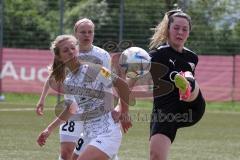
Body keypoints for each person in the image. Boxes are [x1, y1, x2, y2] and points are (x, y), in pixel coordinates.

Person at [36, 18, 131, 160]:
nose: (71, 52)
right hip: (89, 134)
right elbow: (71, 109)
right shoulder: (69, 81)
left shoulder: (94, 68)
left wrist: (123, 112)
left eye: (73, 49)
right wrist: (49, 129)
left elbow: (122, 85)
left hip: (107, 132)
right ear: (59, 56)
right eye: (65, 50)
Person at [148, 9, 206, 160]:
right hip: (166, 111)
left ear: (189, 32)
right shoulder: (156, 55)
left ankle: (186, 85)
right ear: (168, 30)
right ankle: (184, 83)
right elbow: (138, 76)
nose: (180, 32)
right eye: (176, 28)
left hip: (191, 107)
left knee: (187, 76)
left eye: (184, 29)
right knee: (156, 156)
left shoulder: (192, 57)